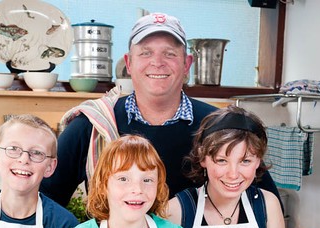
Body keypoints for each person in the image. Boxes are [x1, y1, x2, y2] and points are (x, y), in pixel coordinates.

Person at [40, 11, 280, 207]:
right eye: (146, 52)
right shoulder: (94, 124)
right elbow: (45, 200)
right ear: (129, 63)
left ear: (187, 64)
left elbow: (265, 202)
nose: (157, 62)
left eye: (169, 53)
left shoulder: (219, 125)